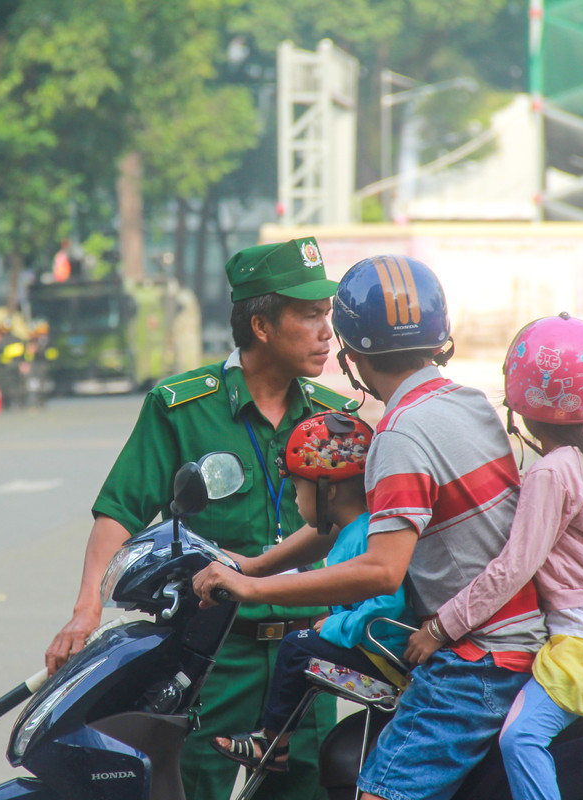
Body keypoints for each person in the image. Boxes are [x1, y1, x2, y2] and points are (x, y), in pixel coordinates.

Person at [193, 255, 547, 800]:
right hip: (513, 640)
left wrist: (254, 588)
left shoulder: (401, 434)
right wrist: (252, 566)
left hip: (474, 662)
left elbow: (382, 571)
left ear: (352, 355)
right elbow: (357, 525)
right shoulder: (467, 403)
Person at [45, 237, 359, 800]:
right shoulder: (181, 408)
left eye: (326, 314)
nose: (325, 332)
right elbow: (120, 509)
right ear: (261, 325)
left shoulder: (337, 419)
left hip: (310, 656)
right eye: (309, 315)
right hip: (212, 657)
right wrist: (86, 605)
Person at [403, 313, 583, 800]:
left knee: (520, 738)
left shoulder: (549, 471)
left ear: (518, 402)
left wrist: (440, 626)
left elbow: (511, 568)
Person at [211, 411, 414, 774]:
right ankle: (276, 738)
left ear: (328, 491)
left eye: (296, 490)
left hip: (385, 655)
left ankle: (273, 742)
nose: (294, 502)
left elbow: (387, 602)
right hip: (370, 645)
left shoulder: (366, 537)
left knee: (296, 645)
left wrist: (335, 626)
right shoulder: (355, 530)